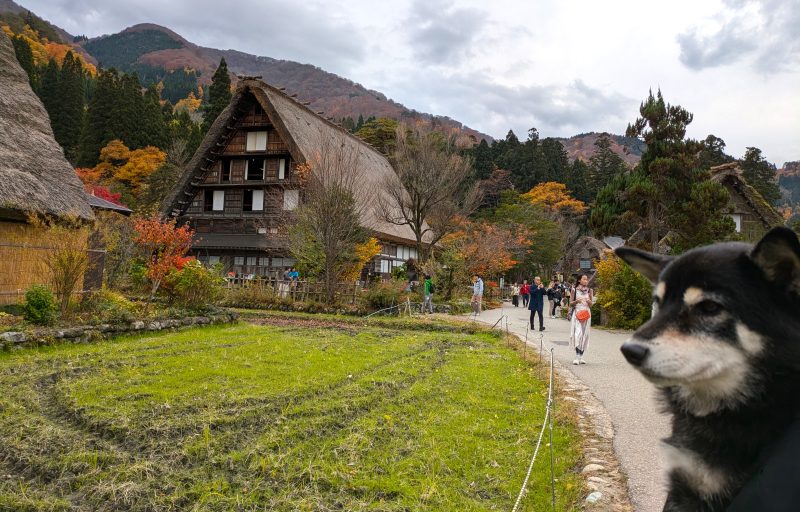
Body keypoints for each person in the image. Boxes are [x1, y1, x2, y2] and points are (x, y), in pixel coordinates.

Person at [570, 273, 593, 365]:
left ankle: (581, 355)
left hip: (586, 314)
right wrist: (576, 301)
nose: (586, 281)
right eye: (584, 279)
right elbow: (571, 303)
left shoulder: (590, 290)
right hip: (577, 314)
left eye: (586, 279)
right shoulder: (574, 290)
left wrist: (589, 302)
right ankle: (577, 356)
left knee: (585, 335)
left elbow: (591, 305)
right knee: (577, 334)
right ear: (579, 280)